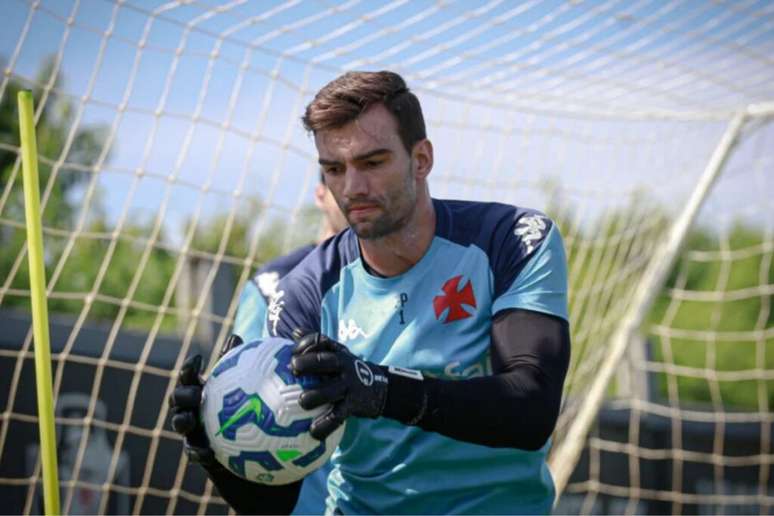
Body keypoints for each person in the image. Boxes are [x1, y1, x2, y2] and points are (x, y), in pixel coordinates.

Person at [171, 70, 571, 515]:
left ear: (421, 159)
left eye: (373, 162)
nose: (352, 188)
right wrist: (215, 450)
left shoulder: (510, 240)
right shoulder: (303, 292)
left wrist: (379, 390)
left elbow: (531, 407)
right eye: (335, 169)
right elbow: (279, 498)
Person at [232, 177, 348, 344]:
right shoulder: (272, 281)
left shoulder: (395, 273)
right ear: (321, 195)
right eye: (339, 174)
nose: (354, 189)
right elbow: (245, 365)